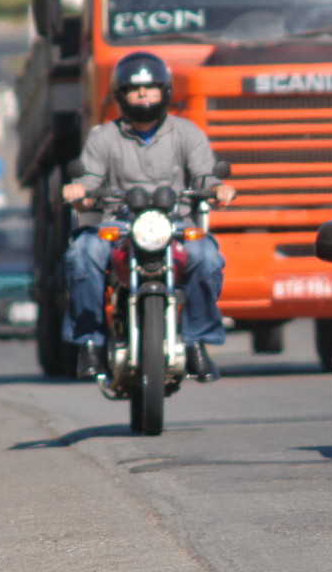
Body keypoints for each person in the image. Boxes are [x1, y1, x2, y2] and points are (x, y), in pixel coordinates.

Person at [61, 51, 236, 383]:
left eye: (151, 88)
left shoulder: (187, 132)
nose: (143, 95)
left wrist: (219, 189)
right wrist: (79, 193)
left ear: (165, 92)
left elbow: (205, 177)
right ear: (121, 95)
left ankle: (198, 343)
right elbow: (88, 183)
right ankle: (89, 344)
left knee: (207, 256)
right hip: (120, 224)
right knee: (81, 253)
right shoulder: (103, 137)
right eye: (134, 89)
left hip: (176, 225)